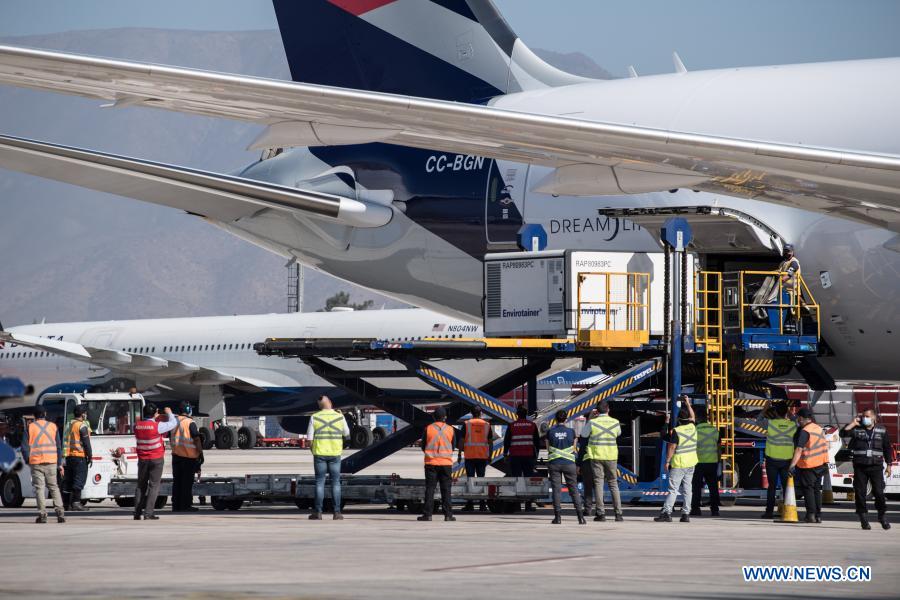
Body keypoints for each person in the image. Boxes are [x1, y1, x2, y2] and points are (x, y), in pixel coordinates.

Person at [840, 409, 893, 530]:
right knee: (860, 493)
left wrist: (889, 465)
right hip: (860, 466)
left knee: (879, 492)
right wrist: (853, 423)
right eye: (863, 416)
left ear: (874, 418)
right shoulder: (856, 429)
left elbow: (887, 448)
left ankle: (882, 516)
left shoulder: (882, 430)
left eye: (867, 416)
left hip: (876, 466)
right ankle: (863, 519)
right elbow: (842, 433)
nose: (865, 418)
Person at [307, 395, 350, 520]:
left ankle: (318, 512)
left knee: (319, 483)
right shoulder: (339, 416)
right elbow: (347, 433)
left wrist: (313, 450)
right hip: (335, 454)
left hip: (319, 454)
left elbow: (309, 439)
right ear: (330, 402)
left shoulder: (315, 417)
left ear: (319, 406)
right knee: (335, 483)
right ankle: (337, 513)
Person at [580, 400, 623, 522]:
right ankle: (618, 514)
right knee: (613, 484)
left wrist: (590, 418)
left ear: (597, 411)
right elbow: (618, 434)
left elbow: (584, 435)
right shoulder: (615, 422)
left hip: (597, 456)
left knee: (598, 483)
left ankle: (601, 513)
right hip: (611, 456)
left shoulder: (593, 422)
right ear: (608, 409)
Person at [655, 397, 697, 523]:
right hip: (691, 463)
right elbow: (693, 416)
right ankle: (686, 514)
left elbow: (671, 447)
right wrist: (688, 403)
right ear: (688, 419)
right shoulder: (693, 427)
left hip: (679, 463)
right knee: (688, 489)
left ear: (679, 420)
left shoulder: (676, 431)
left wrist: (667, 461)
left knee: (673, 489)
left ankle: (666, 513)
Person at [133, 403, 178, 520]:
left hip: (142, 459)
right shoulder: (157, 426)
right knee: (154, 486)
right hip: (156, 459)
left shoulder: (136, 426)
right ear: (155, 413)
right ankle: (148, 513)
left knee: (140, 486)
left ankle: (137, 513)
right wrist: (169, 413)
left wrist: (155, 416)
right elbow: (173, 423)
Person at [21, 406, 65, 523]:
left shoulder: (30, 427)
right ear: (45, 414)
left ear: (34, 415)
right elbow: (58, 447)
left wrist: (28, 460)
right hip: (51, 461)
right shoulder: (53, 426)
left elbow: (24, 448)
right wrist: (59, 464)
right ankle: (60, 512)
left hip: (36, 462)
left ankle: (42, 515)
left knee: (39, 488)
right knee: (54, 487)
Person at [788, 408, 828, 523]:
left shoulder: (805, 431)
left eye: (798, 418)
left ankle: (810, 514)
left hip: (809, 464)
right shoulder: (818, 428)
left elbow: (799, 449)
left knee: (808, 490)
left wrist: (792, 465)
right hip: (821, 463)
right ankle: (818, 515)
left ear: (801, 418)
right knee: (816, 490)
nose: (797, 420)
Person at [546, 410, 586, 524]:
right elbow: (574, 448)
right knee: (574, 490)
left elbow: (548, 448)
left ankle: (558, 518)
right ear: (566, 419)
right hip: (569, 464)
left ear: (555, 419)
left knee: (556, 490)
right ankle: (580, 518)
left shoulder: (550, 432)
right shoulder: (571, 431)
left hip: (554, 463)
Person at [760, 401, 797, 519]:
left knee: (771, 487)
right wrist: (790, 413)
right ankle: (787, 511)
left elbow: (758, 420)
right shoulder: (792, 425)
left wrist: (765, 409)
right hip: (787, 461)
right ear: (786, 412)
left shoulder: (770, 424)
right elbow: (798, 422)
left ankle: (769, 512)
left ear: (775, 412)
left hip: (772, 460)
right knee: (787, 487)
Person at [419, 407, 456, 521]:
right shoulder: (450, 429)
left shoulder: (428, 428)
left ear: (434, 417)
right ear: (445, 417)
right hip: (446, 463)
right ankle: (448, 515)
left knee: (430, 489)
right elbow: (453, 446)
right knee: (446, 490)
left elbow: (423, 446)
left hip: (431, 463)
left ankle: (428, 515)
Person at [503, 404, 540, 511]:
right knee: (528, 480)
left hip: (515, 456)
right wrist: (536, 455)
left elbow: (507, 441)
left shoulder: (512, 425)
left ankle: (517, 505)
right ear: (526, 414)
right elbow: (537, 442)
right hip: (528, 456)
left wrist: (505, 454)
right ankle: (528, 505)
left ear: (517, 414)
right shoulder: (532, 425)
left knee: (517, 480)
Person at [458, 406, 493, 512]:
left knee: (470, 480)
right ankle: (482, 504)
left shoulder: (466, 424)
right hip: (482, 457)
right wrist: (490, 455)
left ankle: (470, 504)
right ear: (480, 413)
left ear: (471, 413)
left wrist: (459, 454)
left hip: (470, 456)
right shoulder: (487, 425)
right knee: (481, 480)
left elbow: (462, 440)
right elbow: (490, 442)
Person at [170, 402, 203, 512]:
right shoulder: (190, 422)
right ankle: (185, 505)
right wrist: (201, 453)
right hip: (188, 457)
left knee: (177, 482)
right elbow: (196, 439)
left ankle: (176, 505)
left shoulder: (174, 422)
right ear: (188, 410)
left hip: (176, 457)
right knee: (187, 483)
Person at [690, 406, 721, 517]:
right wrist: (718, 461)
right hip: (712, 462)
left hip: (698, 462)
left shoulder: (695, 430)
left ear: (697, 418)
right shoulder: (714, 430)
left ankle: (695, 509)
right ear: (706, 418)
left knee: (696, 487)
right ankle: (715, 510)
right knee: (713, 488)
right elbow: (719, 448)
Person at [63, 404, 93, 512]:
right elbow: (86, 443)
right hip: (79, 457)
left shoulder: (69, 424)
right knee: (79, 480)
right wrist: (90, 456)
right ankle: (76, 503)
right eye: (85, 413)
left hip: (69, 456)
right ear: (82, 414)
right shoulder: (82, 426)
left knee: (69, 481)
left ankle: (66, 504)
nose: (86, 414)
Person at [576, 408, 600, 516]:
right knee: (598, 486)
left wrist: (578, 464)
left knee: (588, 486)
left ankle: (588, 509)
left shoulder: (587, 429)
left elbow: (582, 448)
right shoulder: (602, 428)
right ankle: (600, 509)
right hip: (599, 460)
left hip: (587, 461)